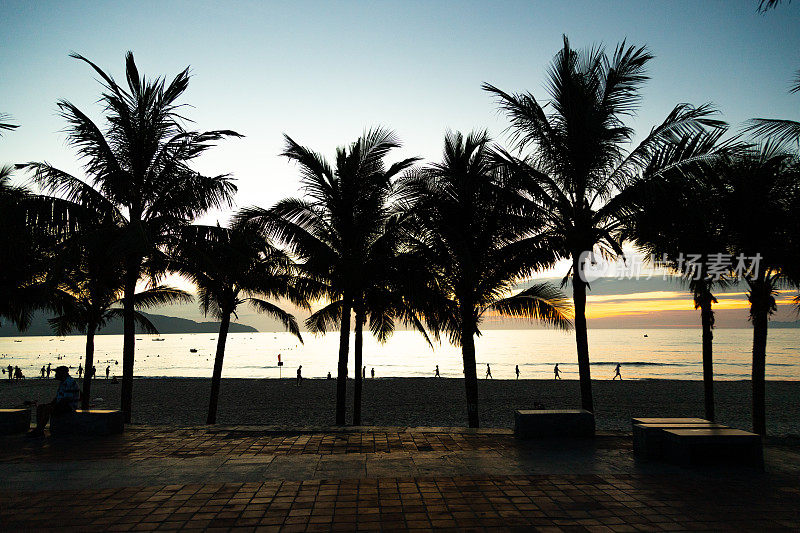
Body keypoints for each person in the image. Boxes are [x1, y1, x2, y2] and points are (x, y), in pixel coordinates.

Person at [28, 366, 80, 437]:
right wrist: (51, 404)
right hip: (63, 404)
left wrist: (53, 406)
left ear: (62, 373)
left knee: (47, 409)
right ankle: (39, 429)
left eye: (57, 373)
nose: (55, 375)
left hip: (69, 406)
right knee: (41, 407)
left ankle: (40, 430)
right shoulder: (64, 382)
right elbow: (59, 397)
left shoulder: (69, 382)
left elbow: (66, 399)